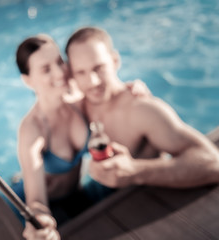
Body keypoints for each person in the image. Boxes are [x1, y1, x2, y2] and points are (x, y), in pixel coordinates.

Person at [14, 34, 149, 240]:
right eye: (46, 69)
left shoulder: (78, 99)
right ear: (28, 80)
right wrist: (40, 220)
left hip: (78, 194)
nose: (59, 72)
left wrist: (130, 90)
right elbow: (36, 200)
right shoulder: (32, 129)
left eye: (59, 61)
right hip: (48, 204)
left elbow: (107, 93)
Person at [65, 27, 219, 189]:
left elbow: (212, 162)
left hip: (143, 199)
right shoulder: (79, 107)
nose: (93, 81)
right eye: (81, 72)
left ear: (115, 60)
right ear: (72, 75)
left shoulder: (141, 109)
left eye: (99, 68)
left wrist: (136, 171)